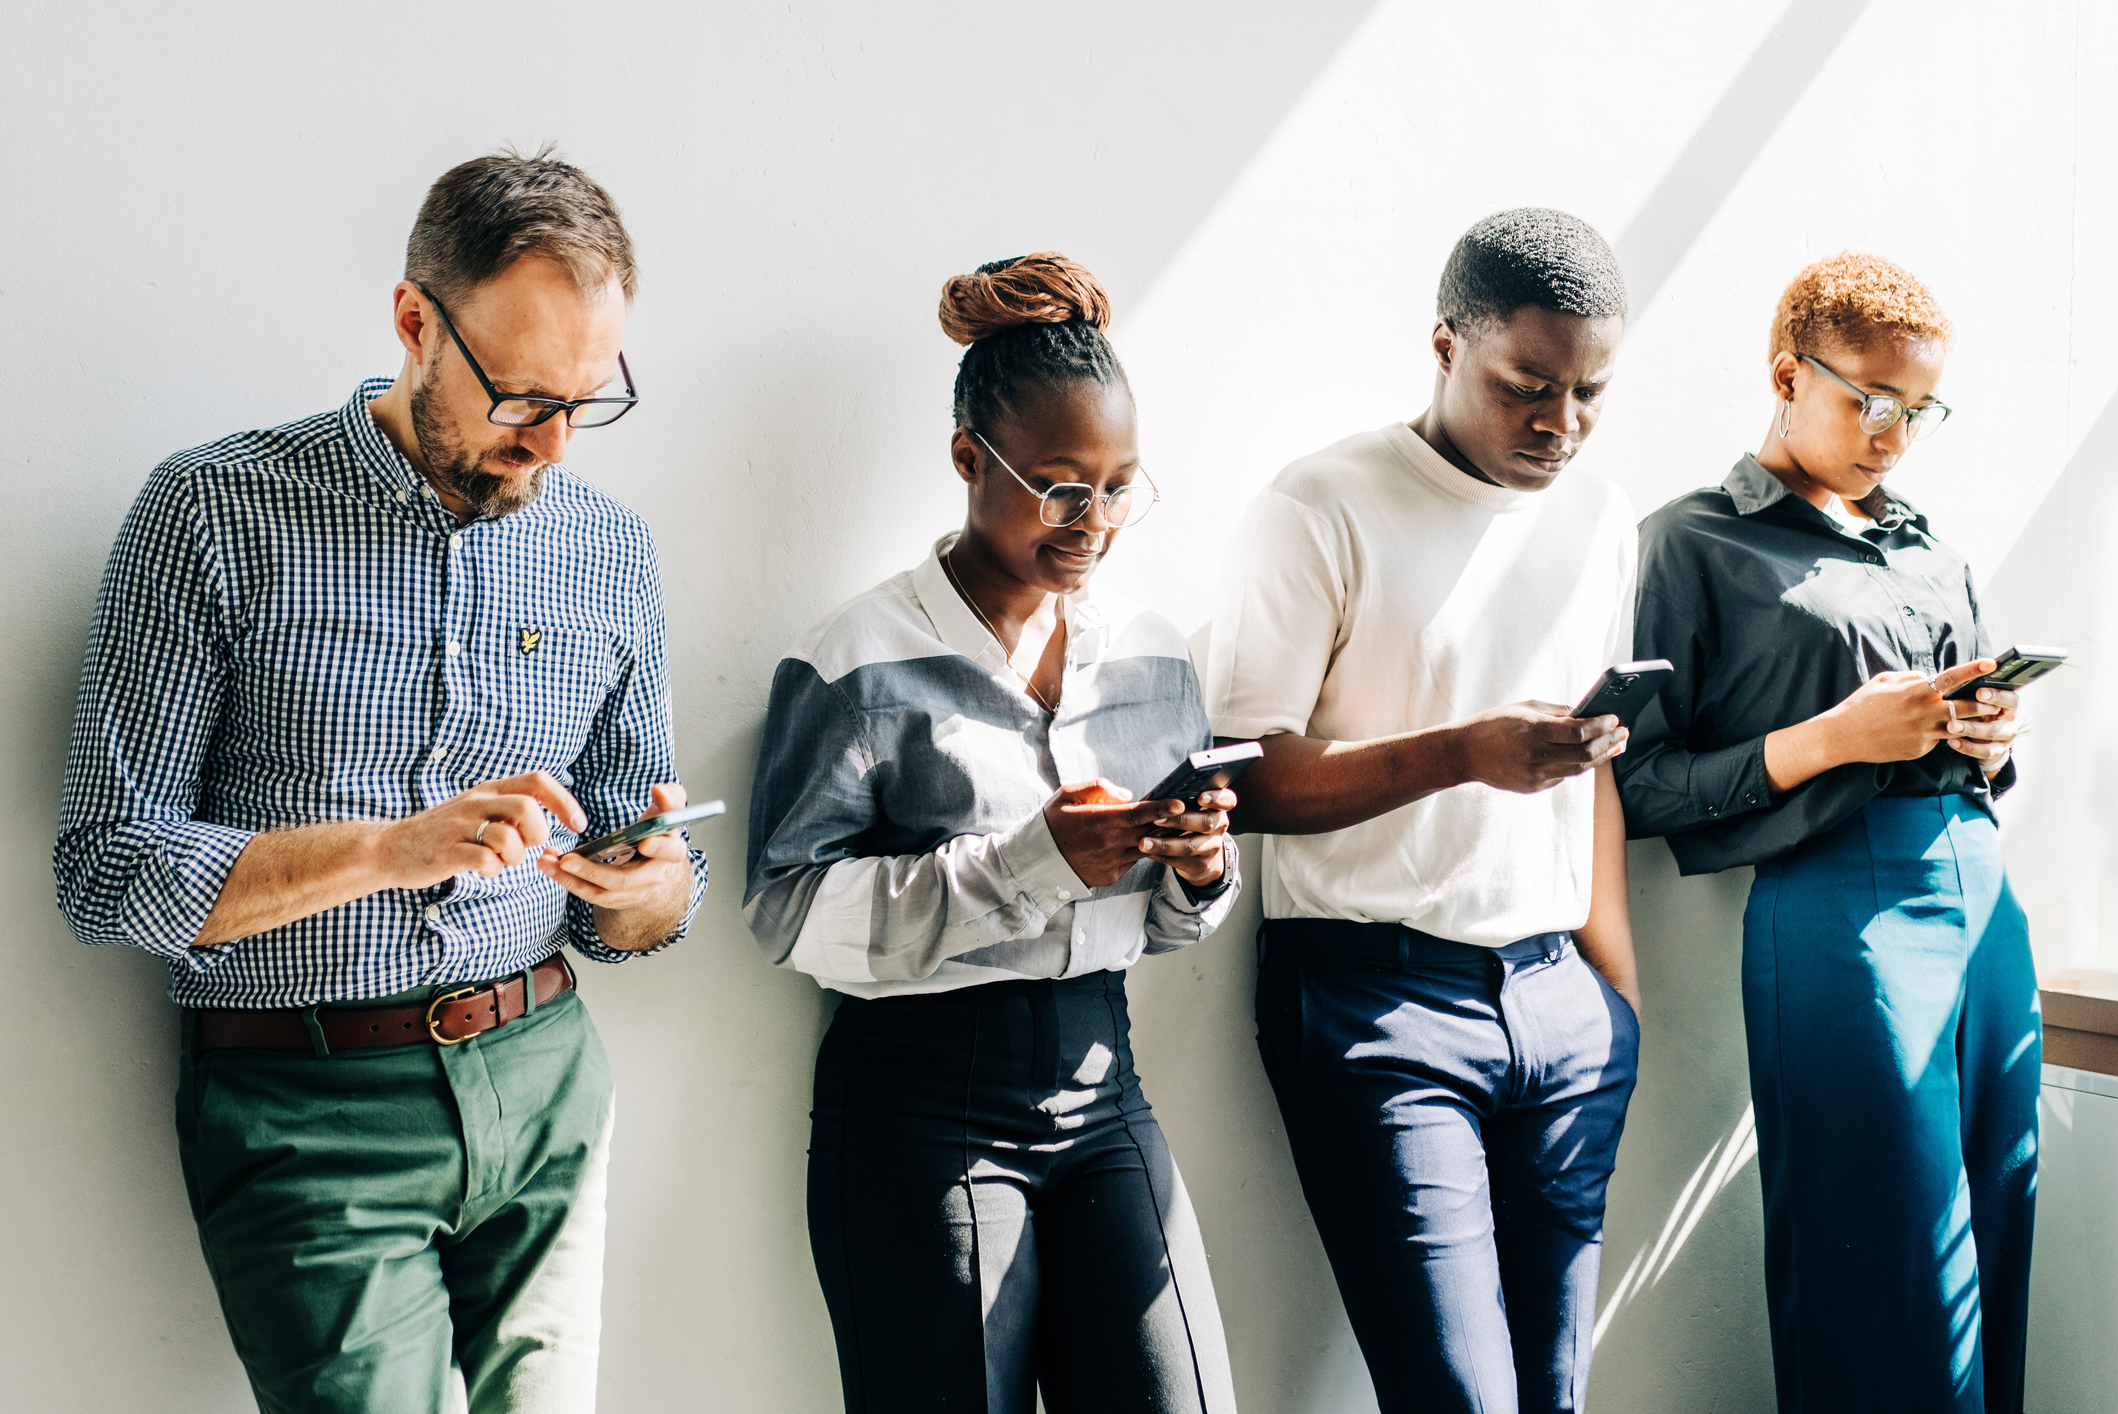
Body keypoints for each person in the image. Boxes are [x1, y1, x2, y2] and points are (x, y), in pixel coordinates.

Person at [54, 148, 707, 1414]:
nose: (554, 444)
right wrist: (388, 848)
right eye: (521, 396)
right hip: (304, 1112)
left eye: (589, 398)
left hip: (549, 1076)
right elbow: (106, 871)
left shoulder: (610, 548)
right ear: (415, 321)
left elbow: (642, 885)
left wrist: (648, 890)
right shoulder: (213, 514)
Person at [745, 253, 1241, 1414]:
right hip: (918, 1101)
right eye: (1062, 486)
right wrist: (1034, 864)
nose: (1096, 523)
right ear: (970, 457)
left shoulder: (1153, 653)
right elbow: (787, 912)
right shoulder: (856, 657)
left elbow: (1167, 924)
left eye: (1121, 488)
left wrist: (1196, 868)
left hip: (1103, 1082)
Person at [1208, 208, 1641, 1413]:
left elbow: (1594, 762)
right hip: (1373, 999)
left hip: (1561, 1000)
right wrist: (1465, 752)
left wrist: (1618, 997)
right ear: (1445, 345)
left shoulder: (1602, 519)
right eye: (1529, 386)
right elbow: (1241, 777)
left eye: (1591, 391)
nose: (1561, 423)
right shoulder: (1319, 507)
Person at [1616, 253, 2033, 1413]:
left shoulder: (1927, 546)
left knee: (1996, 1224)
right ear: (1786, 373)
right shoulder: (1692, 542)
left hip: (1986, 898)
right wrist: (1833, 738)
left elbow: (1978, 744)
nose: (1894, 433)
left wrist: (1992, 738)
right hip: (1838, 906)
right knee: (1882, 1247)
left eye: (1920, 409)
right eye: (1871, 399)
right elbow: (1636, 784)